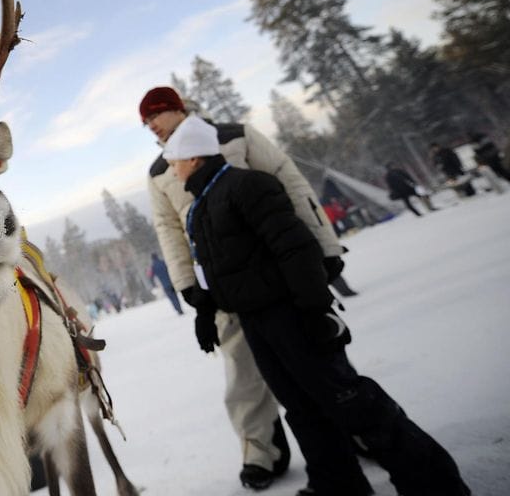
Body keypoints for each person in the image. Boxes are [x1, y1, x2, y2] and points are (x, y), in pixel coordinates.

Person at [163, 114, 471, 496]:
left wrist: (314, 310)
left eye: (174, 160)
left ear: (193, 158)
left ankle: (433, 481)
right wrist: (206, 312)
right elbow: (216, 268)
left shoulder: (249, 186)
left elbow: (296, 249)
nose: (171, 169)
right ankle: (338, 484)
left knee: (348, 399)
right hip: (256, 323)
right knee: (301, 407)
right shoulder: (201, 208)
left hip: (288, 314)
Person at [143, 86, 305, 490]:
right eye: (144, 124)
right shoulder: (161, 170)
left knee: (308, 355)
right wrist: (188, 288)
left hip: (275, 273)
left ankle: (353, 428)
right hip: (219, 283)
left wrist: (322, 248)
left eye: (154, 118)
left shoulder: (234, 135)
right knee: (241, 371)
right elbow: (168, 229)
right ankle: (261, 451)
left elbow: (287, 179)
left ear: (176, 109)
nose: (150, 128)